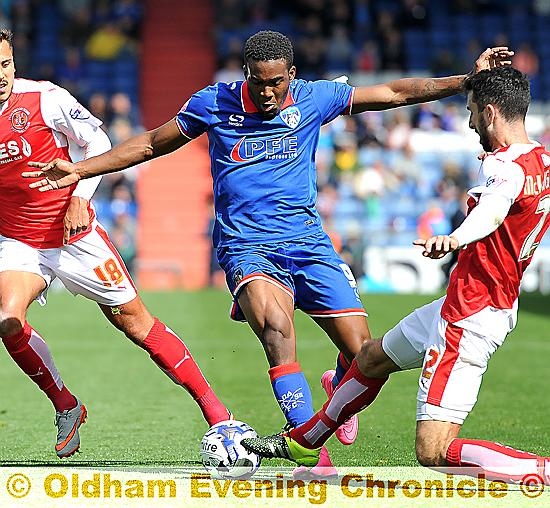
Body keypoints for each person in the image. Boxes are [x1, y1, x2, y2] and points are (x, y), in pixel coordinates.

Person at [23, 31, 512, 476]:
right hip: (247, 246)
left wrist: (466, 80)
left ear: (291, 77)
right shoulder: (214, 103)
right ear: (246, 76)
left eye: (276, 83)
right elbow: (153, 143)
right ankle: (311, 456)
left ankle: (332, 388)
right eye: (258, 84)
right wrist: (82, 171)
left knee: (363, 355)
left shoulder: (314, 98)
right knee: (278, 331)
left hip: (308, 242)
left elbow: (394, 94)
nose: (268, 93)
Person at [240, 66, 550, 485]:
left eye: (473, 111)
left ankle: (541, 470)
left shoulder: (505, 169)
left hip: (468, 317)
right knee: (370, 358)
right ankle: (306, 441)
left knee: (434, 451)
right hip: (465, 304)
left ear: (491, 113)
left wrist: (456, 237)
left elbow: (493, 212)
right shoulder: (541, 160)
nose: (470, 120)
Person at [0, 29, 230, 459]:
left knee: (135, 324)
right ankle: (66, 405)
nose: (2, 75)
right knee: (8, 319)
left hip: (75, 236)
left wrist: (78, 197)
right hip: (20, 240)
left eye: (6, 64)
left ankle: (218, 414)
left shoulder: (45, 99)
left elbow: (99, 142)